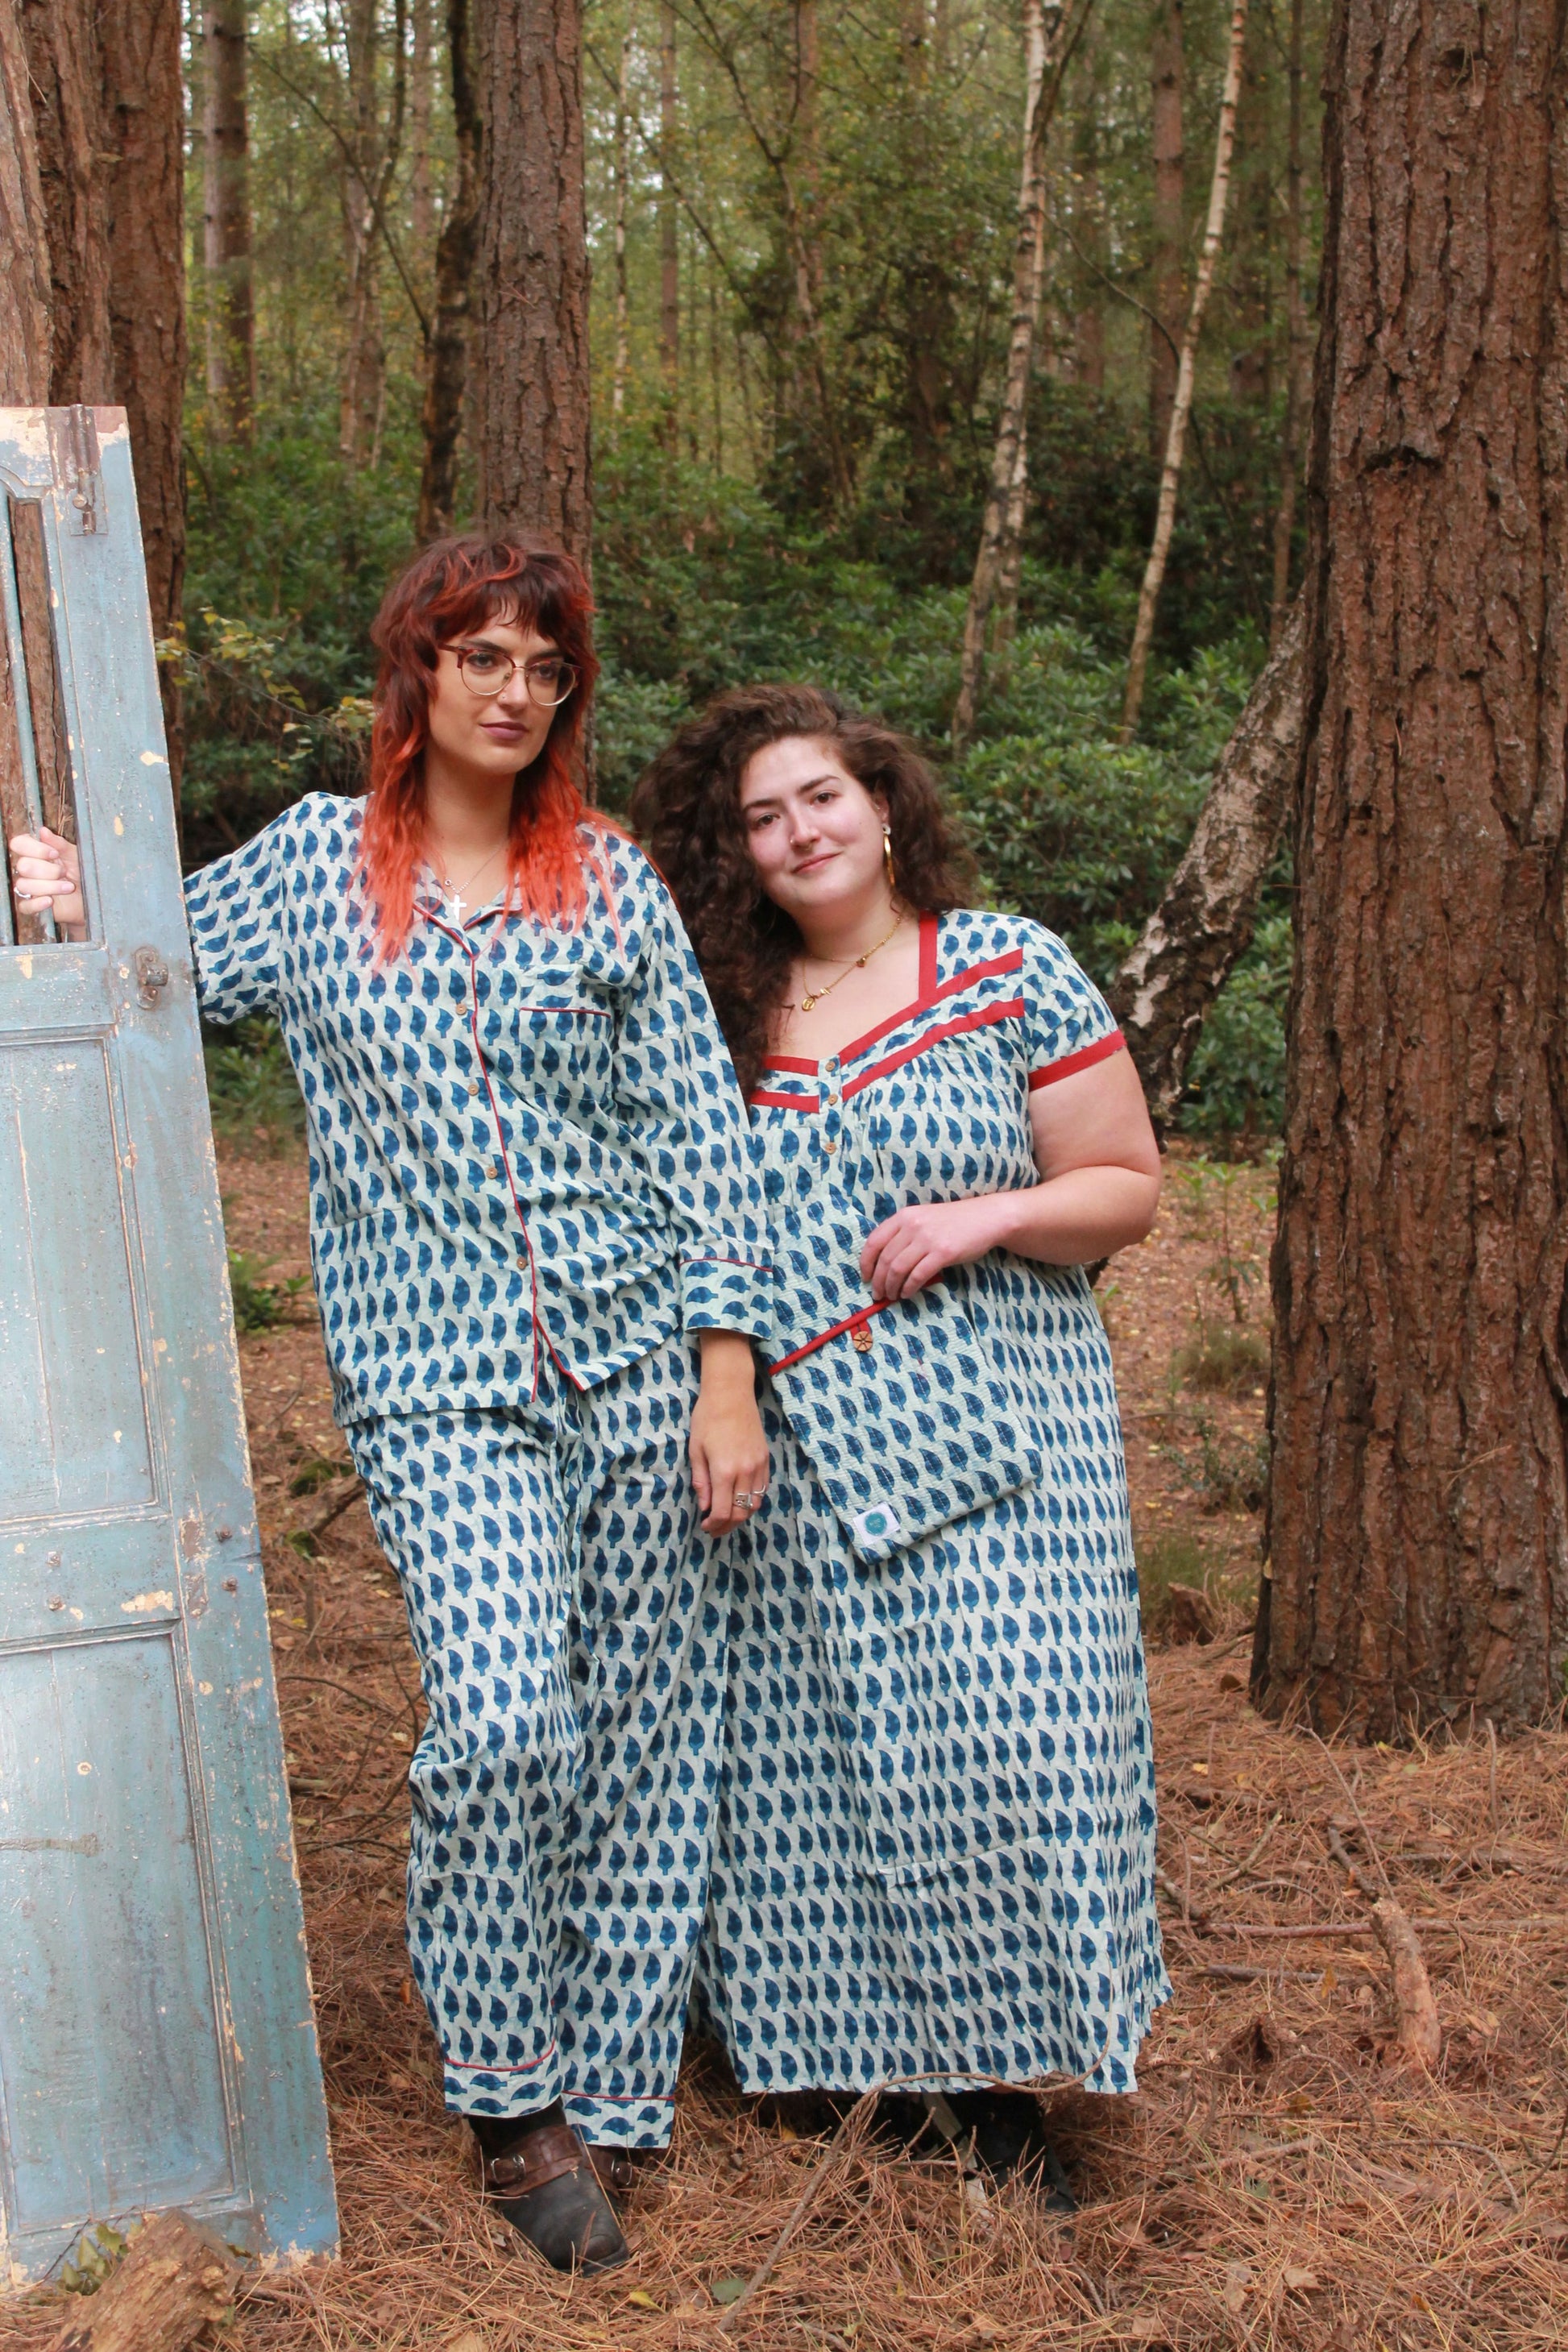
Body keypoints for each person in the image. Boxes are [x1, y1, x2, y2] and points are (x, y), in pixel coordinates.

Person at [10, 533, 773, 2275]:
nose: (512, 688)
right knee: (508, 1718)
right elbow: (143, 968)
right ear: (416, 672)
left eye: (543, 665)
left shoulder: (614, 882)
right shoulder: (306, 868)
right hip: (436, 1381)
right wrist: (68, 887)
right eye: (479, 653)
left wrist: (725, 1379)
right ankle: (511, 2099)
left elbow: (700, 1144)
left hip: (643, 1355)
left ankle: (613, 2086)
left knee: (646, 1743)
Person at [632, 682, 1170, 2180]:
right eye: (760, 817)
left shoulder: (1002, 967)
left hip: (1008, 1428)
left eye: (820, 797)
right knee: (831, 1757)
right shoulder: (720, 1014)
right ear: (734, 854)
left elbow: (1122, 1183)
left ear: (881, 806)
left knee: (1017, 1742)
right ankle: (852, 2075)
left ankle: (1012, 2070)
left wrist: (991, 1211)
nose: (797, 831)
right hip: (798, 1451)